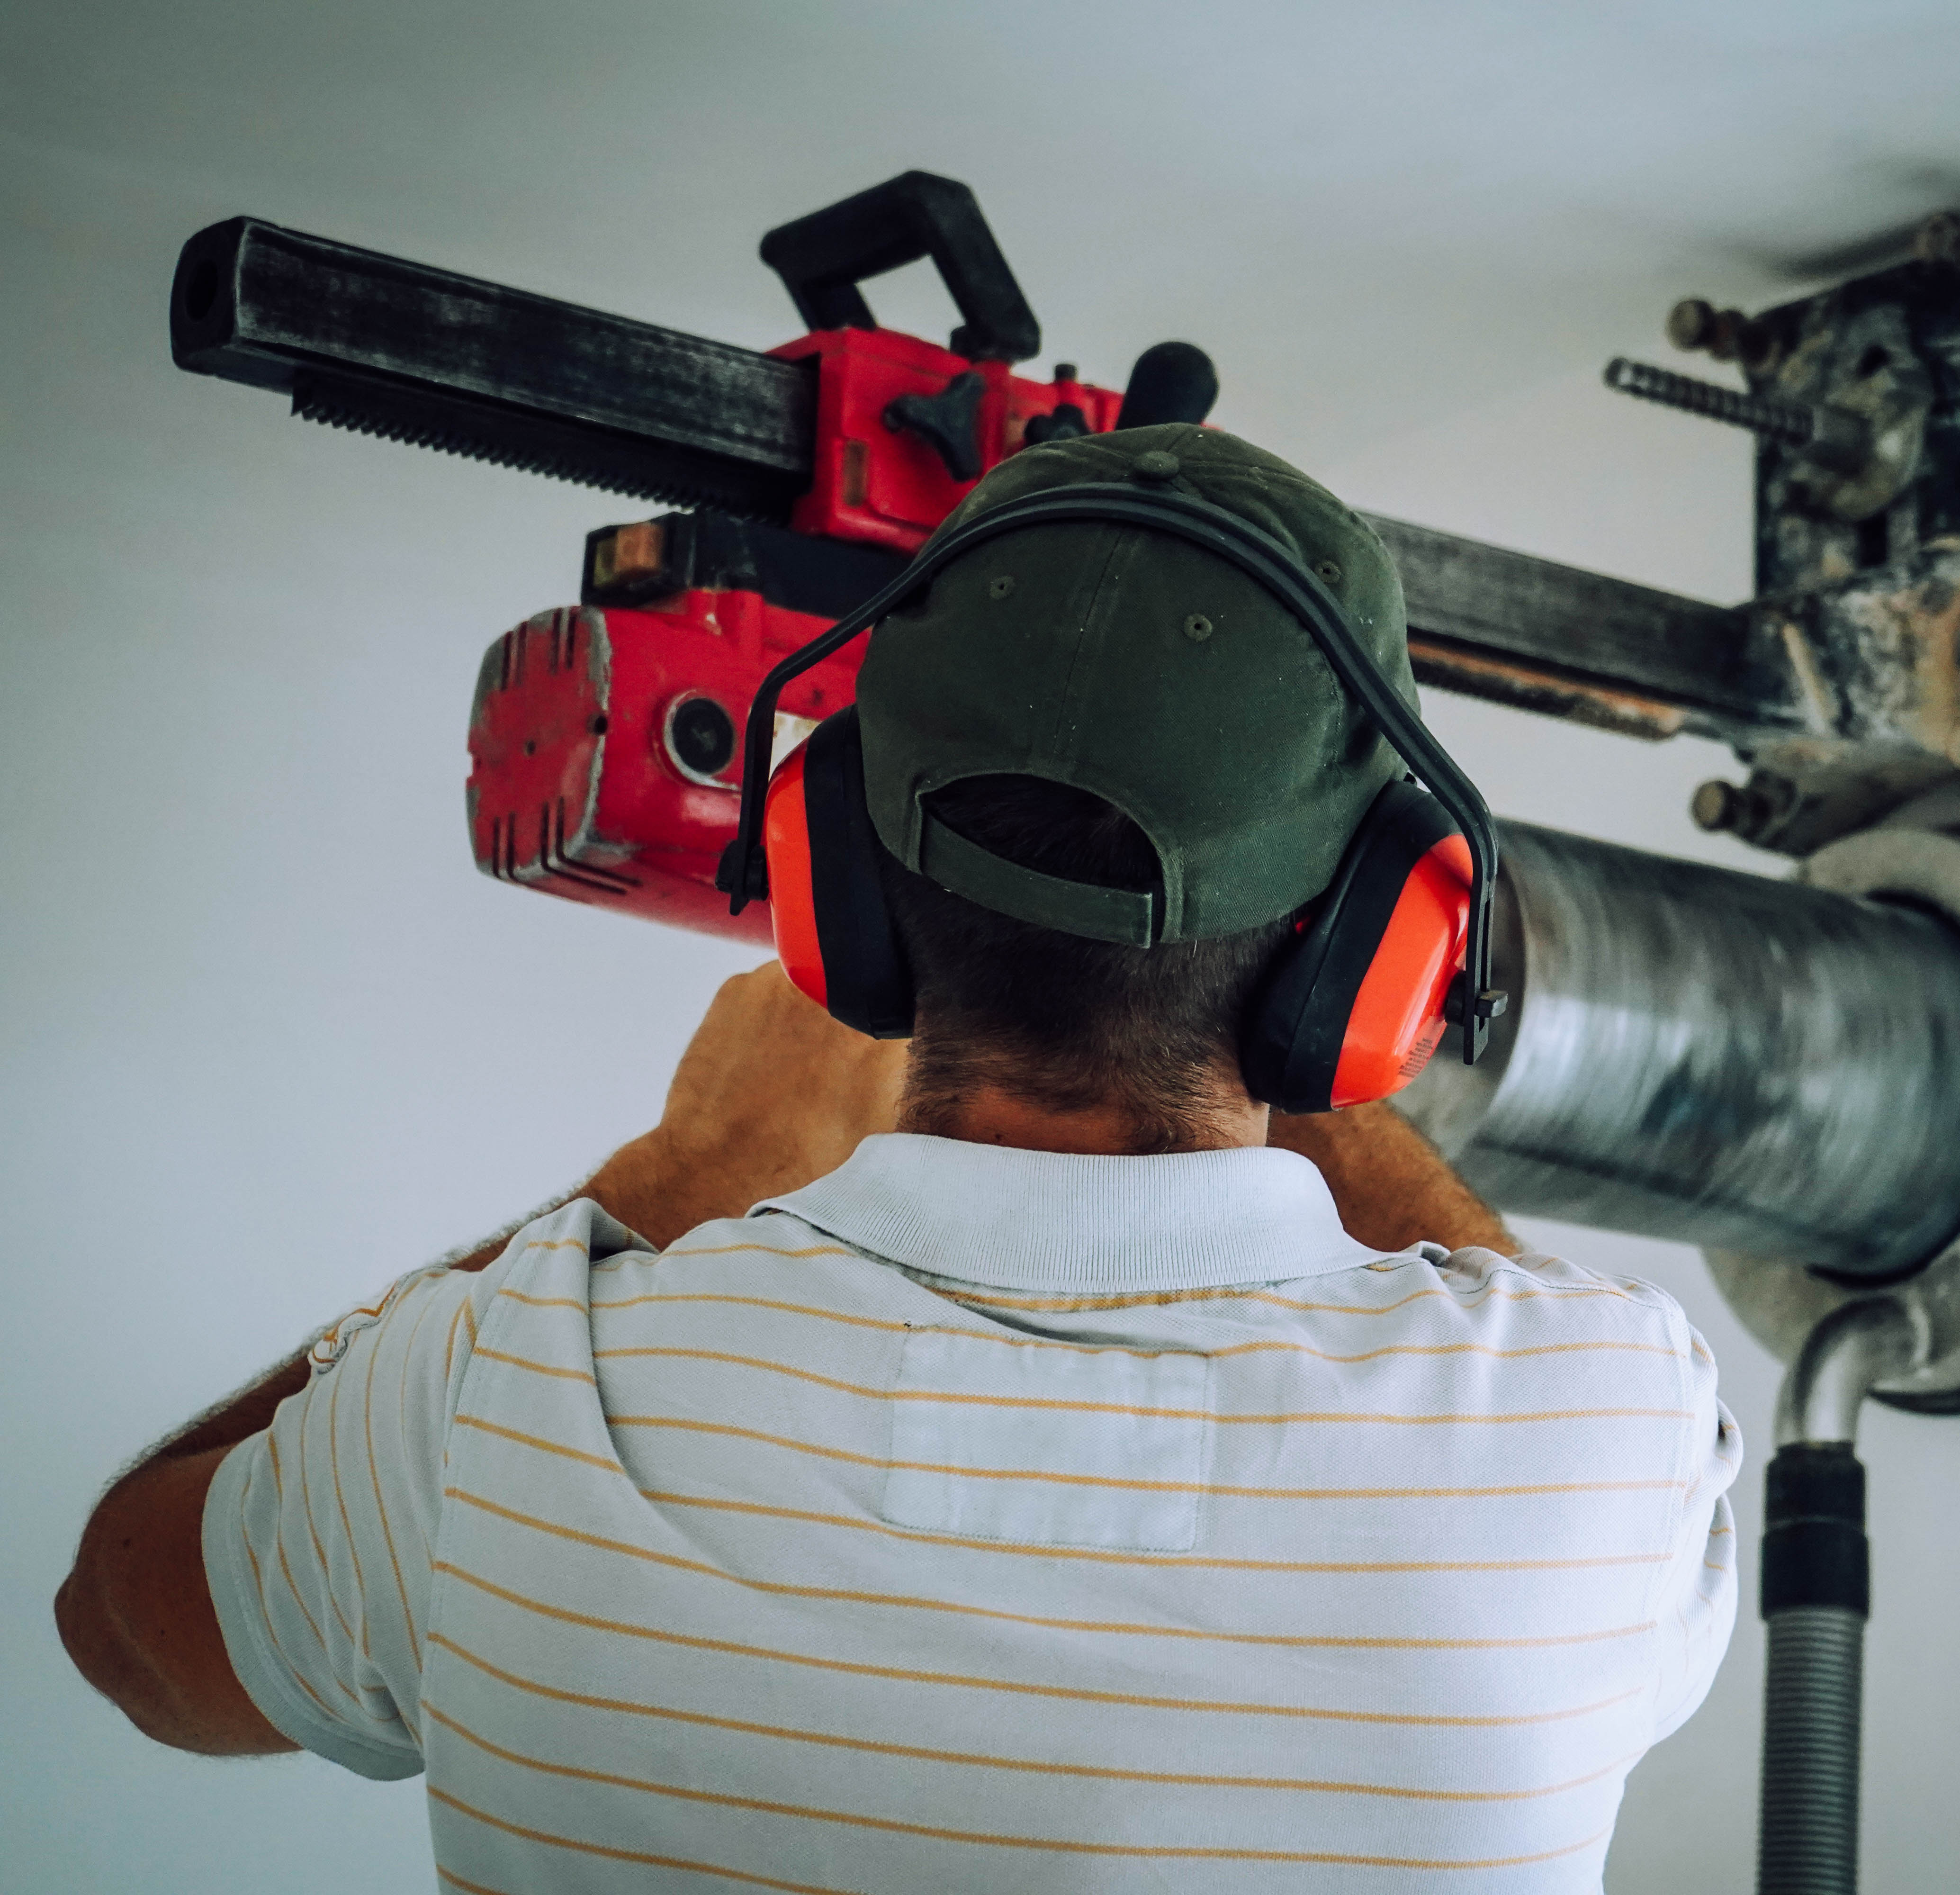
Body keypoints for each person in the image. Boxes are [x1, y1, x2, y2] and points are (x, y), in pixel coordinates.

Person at [55, 425, 1740, 1891]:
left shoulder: (498, 1407)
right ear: (1386, 948)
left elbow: (123, 1630)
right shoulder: (1596, 1440)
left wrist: (679, 1170)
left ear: (824, 872)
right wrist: (1311, 1054)